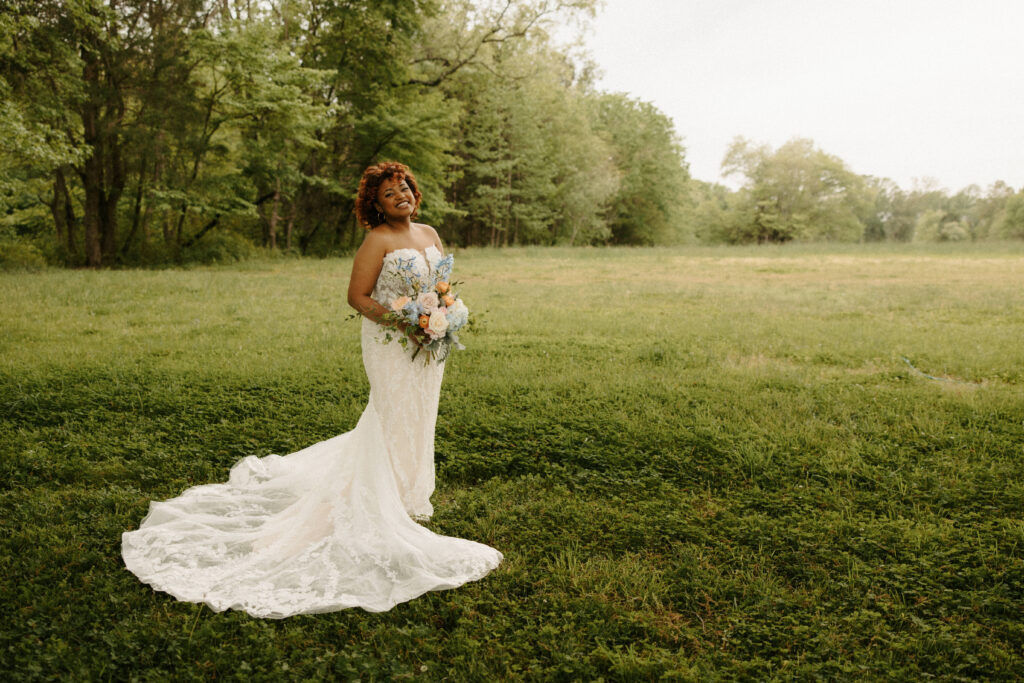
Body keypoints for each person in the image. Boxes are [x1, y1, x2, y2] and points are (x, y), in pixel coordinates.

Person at [121, 162, 503, 618]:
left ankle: (404, 495)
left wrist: (442, 313)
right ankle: (377, 501)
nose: (400, 193)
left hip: (430, 343)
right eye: (387, 192)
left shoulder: (430, 232)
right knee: (390, 415)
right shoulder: (377, 241)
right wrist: (406, 323)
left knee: (419, 414)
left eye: (403, 185)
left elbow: (439, 286)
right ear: (375, 205)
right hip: (390, 344)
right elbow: (358, 297)